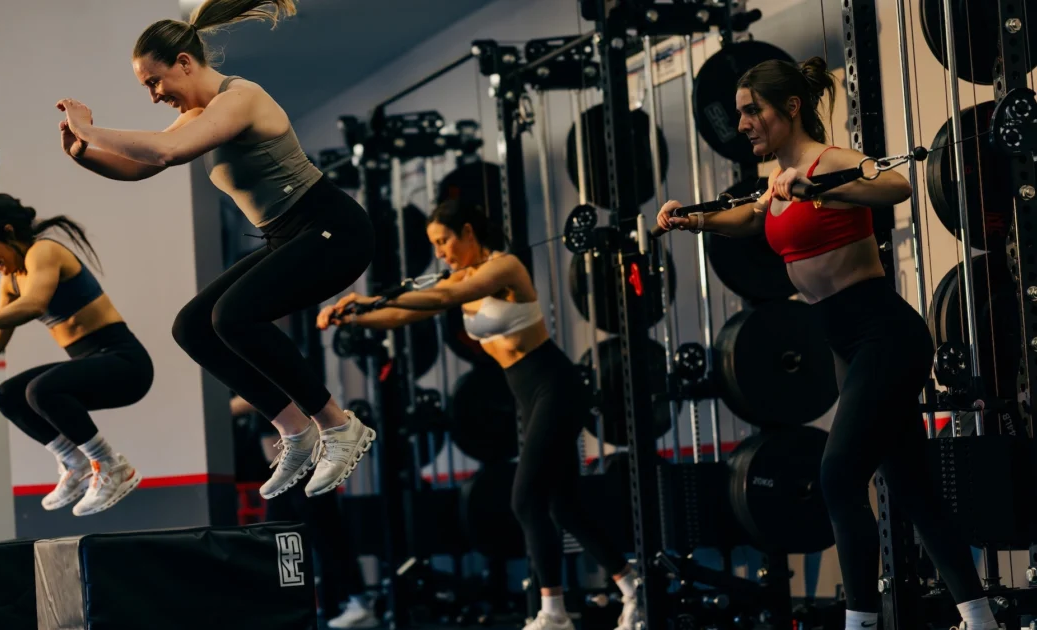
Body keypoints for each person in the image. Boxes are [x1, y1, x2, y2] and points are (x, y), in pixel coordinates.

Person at [656, 57, 999, 630]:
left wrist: (817, 186)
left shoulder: (827, 160)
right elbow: (753, 219)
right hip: (845, 344)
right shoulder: (777, 180)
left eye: (752, 110)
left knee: (838, 475)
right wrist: (695, 220)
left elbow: (895, 186)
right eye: (740, 113)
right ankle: (981, 618)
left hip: (884, 334)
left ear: (790, 107)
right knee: (911, 487)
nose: (742, 124)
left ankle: (860, 623)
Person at [54, 0, 375, 498]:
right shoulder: (199, 115)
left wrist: (90, 128)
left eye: (155, 82)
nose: (155, 96)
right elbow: (142, 165)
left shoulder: (241, 98)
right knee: (193, 327)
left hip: (332, 229)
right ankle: (295, 430)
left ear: (184, 62)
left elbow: (166, 152)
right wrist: (84, 155)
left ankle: (338, 425)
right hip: (287, 235)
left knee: (233, 316)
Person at [318, 200, 641, 630]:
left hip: (556, 387)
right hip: (529, 395)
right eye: (434, 245)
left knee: (525, 498)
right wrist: (355, 317)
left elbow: (446, 296)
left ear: (468, 232)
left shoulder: (504, 268)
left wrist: (368, 298)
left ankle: (553, 613)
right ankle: (634, 588)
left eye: (444, 241)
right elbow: (401, 315)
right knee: (563, 507)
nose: (440, 253)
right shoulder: (461, 276)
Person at [0, 194, 154, 516]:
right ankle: (76, 464)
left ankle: (111, 466)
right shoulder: (11, 280)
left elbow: (34, 304)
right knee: (8, 395)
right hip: (92, 364)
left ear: (9, 232)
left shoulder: (44, 252)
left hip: (126, 364)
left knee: (40, 390)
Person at [231, 395, 379, 629]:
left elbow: (256, 397)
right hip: (283, 468)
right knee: (278, 536)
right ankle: (297, 606)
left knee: (325, 533)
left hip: (306, 462)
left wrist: (224, 406)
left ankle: (359, 602)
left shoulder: (270, 381)